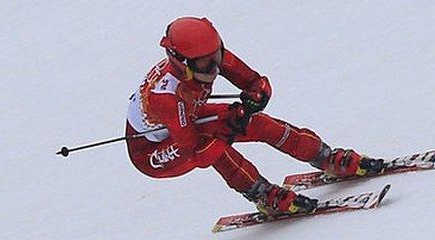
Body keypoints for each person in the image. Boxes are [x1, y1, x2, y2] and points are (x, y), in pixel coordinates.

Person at [124, 16, 384, 216]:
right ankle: (261, 194)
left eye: (217, 55)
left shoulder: (206, 57)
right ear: (181, 62)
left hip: (185, 119)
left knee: (254, 123)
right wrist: (228, 127)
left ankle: (324, 157)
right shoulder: (166, 98)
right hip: (153, 150)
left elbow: (253, 80)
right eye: (205, 64)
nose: (215, 67)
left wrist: (257, 93)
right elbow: (191, 149)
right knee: (211, 146)